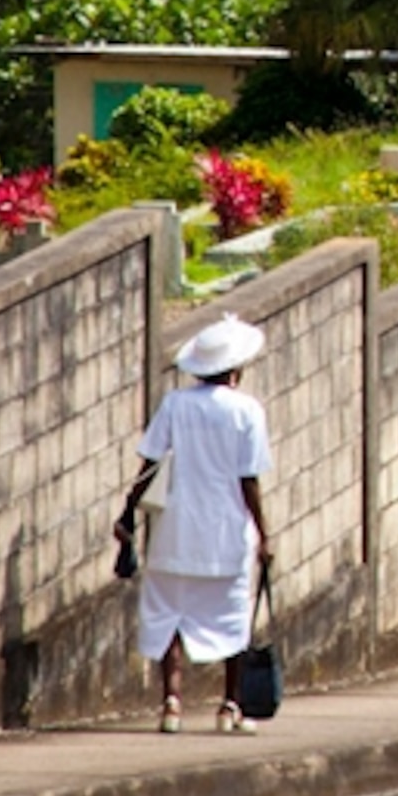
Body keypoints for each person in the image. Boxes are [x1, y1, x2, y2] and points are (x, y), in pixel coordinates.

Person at [118, 312, 274, 734]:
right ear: (236, 367)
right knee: (233, 616)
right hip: (226, 532)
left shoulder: (175, 405)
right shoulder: (247, 411)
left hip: (175, 530)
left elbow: (149, 465)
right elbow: (248, 478)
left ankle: (171, 703)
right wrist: (264, 534)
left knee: (169, 612)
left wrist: (127, 514)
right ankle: (230, 706)